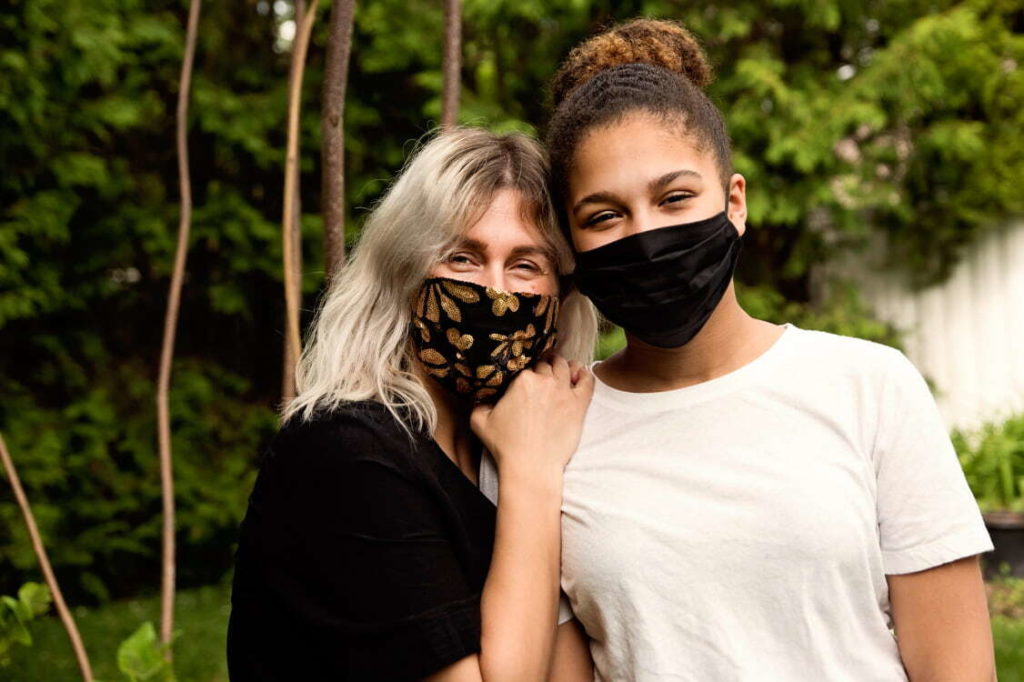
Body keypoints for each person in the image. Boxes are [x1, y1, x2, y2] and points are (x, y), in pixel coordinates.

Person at [484, 18, 996, 681]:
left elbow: (957, 670)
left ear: (734, 202)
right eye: (604, 216)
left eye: (674, 198)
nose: (646, 235)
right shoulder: (547, 427)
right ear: (571, 245)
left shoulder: (870, 386)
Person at [227, 128, 598, 681]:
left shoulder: (498, 443)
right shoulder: (347, 451)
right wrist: (534, 473)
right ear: (405, 271)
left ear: (560, 297)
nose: (494, 292)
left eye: (525, 265)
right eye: (462, 258)